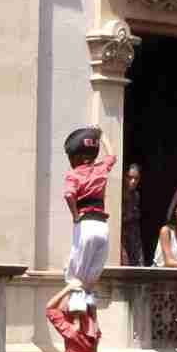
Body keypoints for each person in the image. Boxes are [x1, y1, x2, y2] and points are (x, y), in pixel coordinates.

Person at [60, 128, 114, 311]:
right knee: (94, 268)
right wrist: (102, 135)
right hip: (102, 226)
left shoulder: (73, 174)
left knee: (77, 269)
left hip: (86, 224)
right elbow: (112, 155)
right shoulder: (101, 169)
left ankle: (76, 312)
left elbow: (69, 195)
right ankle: (90, 302)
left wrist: (75, 216)